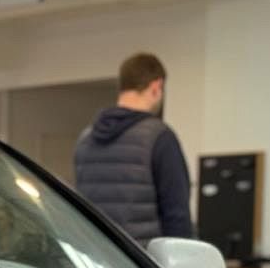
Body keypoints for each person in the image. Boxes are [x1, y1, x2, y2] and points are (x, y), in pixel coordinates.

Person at [73, 52, 193, 244]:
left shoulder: (85, 139)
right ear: (156, 86)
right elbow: (177, 216)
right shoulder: (160, 137)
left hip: (97, 257)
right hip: (140, 258)